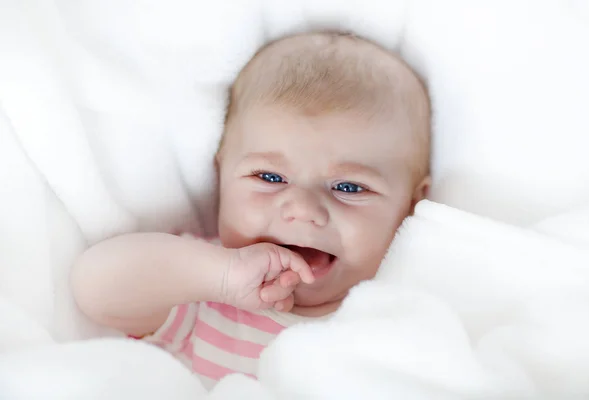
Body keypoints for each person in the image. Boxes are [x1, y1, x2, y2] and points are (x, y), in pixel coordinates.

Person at [71, 31, 431, 389]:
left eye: (349, 187)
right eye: (270, 177)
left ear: (412, 205)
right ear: (221, 176)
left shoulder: (409, 309)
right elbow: (93, 286)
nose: (302, 210)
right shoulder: (199, 283)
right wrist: (221, 277)